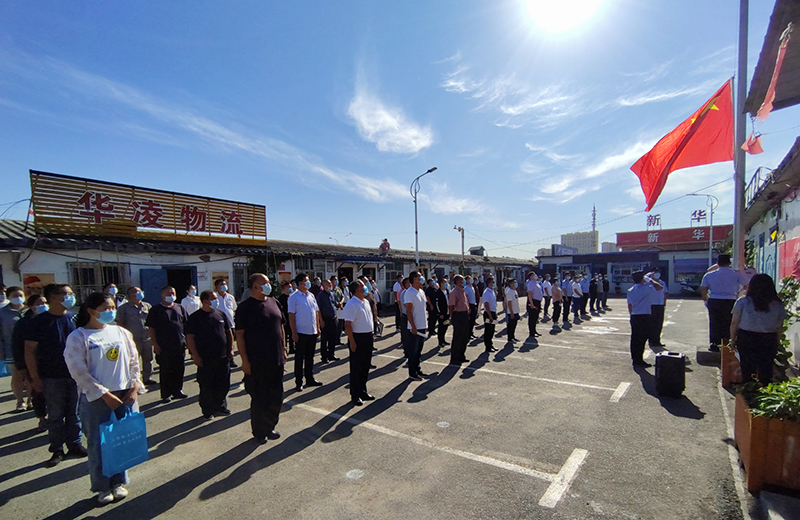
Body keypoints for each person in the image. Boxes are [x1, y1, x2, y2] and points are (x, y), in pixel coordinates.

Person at [64, 292, 142, 505]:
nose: (110, 312)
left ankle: (119, 482)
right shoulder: (78, 337)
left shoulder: (121, 332)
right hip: (97, 397)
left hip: (125, 393)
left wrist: (134, 386)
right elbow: (77, 370)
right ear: (91, 311)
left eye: (112, 308)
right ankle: (102, 486)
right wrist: (103, 393)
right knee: (98, 443)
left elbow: (134, 361)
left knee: (121, 439)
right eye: (106, 308)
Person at [24, 283, 88, 467]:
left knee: (74, 412)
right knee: (56, 414)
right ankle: (57, 449)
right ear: (53, 297)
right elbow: (29, 351)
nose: (71, 297)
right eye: (67, 294)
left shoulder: (74, 319)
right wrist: (34, 377)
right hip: (51, 375)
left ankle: (75, 444)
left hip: (75, 374)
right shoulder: (38, 322)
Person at [236, 274, 286, 443]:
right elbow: (240, 335)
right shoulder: (245, 308)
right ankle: (259, 431)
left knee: (276, 396)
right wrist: (244, 360)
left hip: (276, 358)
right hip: (257, 361)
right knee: (260, 398)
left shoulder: (274, 302)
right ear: (255, 286)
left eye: (268, 282)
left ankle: (270, 427)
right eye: (264, 283)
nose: (268, 285)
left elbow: (281, 326)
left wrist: (284, 348)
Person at [730, 274, 786, 385]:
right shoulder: (778, 305)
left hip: (746, 337)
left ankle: (748, 394)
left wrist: (733, 340)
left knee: (747, 368)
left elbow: (734, 323)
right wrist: (777, 342)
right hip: (768, 338)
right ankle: (764, 394)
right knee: (766, 369)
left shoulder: (742, 302)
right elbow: (779, 327)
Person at [186, 290, 234, 419]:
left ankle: (220, 406)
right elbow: (190, 337)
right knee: (207, 385)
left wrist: (230, 349)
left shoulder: (220, 314)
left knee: (223, 383)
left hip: (223, 356)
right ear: (205, 301)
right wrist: (195, 355)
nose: (216, 300)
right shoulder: (195, 317)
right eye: (213, 298)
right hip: (205, 358)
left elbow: (228, 332)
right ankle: (207, 410)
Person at [146, 286, 188, 403]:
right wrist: (155, 344)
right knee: (165, 370)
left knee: (179, 368)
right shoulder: (156, 310)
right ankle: (166, 393)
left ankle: (177, 391)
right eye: (168, 293)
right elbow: (152, 328)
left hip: (179, 344)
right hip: (163, 345)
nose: (171, 295)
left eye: (173, 293)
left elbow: (185, 325)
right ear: (162, 295)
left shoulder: (179, 307)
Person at [13, 294, 48, 430]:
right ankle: (42, 418)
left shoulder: (49, 319)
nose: (43, 305)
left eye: (45, 302)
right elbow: (17, 346)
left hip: (50, 363)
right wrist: (22, 366)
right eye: (39, 303)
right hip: (32, 364)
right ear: (31, 306)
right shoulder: (23, 323)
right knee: (37, 392)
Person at [700, 255, 748, 352]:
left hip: (714, 300)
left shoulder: (709, 275)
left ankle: (714, 345)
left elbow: (703, 289)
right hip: (730, 300)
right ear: (729, 263)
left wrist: (706, 300)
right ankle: (728, 345)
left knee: (714, 323)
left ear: (717, 263)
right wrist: (741, 293)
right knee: (729, 323)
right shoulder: (736, 274)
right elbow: (747, 285)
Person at [288, 272, 323, 392]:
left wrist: (317, 327)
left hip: (312, 331)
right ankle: (299, 382)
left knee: (310, 357)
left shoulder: (311, 296)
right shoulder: (293, 297)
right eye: (306, 281)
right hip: (301, 332)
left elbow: (316, 312)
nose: (308, 283)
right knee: (299, 358)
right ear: (299, 283)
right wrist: (294, 332)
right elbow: (291, 316)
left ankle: (310, 378)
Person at [344, 280, 375, 406]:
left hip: (367, 336)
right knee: (356, 368)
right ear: (357, 290)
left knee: (365, 366)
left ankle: (363, 391)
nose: (366, 289)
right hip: (357, 338)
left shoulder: (366, 301)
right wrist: (352, 341)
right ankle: (355, 395)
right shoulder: (351, 304)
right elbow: (348, 325)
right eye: (363, 287)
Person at [116, 287, 156, 385]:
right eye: (135, 292)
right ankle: (134, 380)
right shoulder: (123, 308)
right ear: (129, 295)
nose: (138, 293)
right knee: (133, 361)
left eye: (139, 291)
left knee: (148, 359)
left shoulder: (147, 306)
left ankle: (147, 378)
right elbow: (120, 323)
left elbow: (153, 321)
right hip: (133, 339)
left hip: (147, 338)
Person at [627, 271, 663, 368]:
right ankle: (639, 360)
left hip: (635, 315)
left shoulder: (630, 290)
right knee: (642, 339)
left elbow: (629, 305)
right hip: (645, 315)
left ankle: (635, 359)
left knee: (635, 338)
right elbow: (660, 287)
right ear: (643, 279)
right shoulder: (647, 288)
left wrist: (632, 315)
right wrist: (650, 280)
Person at [1, 286, 28, 412]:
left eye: (20, 295)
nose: (18, 298)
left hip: (31, 349)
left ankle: (31, 400)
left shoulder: (29, 310)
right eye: (15, 296)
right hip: (12, 349)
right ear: (9, 297)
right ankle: (20, 401)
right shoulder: (3, 313)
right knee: (17, 375)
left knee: (31, 376)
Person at [403, 271, 428, 381]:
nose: (422, 278)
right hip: (414, 327)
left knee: (419, 351)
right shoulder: (410, 292)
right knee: (413, 351)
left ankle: (418, 369)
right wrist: (413, 326)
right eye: (419, 277)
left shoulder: (421, 291)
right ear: (414, 279)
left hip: (422, 325)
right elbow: (409, 311)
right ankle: (412, 373)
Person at [214, 279, 239, 368]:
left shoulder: (230, 297)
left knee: (230, 342)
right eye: (222, 285)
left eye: (225, 284)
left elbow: (234, 308)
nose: (224, 286)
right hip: (219, 325)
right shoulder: (215, 298)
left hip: (230, 323)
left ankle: (231, 359)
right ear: (217, 287)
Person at [448, 275, 470, 364]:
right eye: (462, 280)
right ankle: (455, 358)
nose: (464, 281)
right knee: (458, 337)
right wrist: (453, 316)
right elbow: (451, 306)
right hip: (458, 315)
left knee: (464, 337)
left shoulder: (462, 291)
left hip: (465, 314)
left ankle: (461, 355)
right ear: (457, 282)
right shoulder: (454, 292)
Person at [317, 279, 339, 363]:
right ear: (323, 285)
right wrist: (321, 320)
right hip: (325, 319)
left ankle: (331, 354)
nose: (330, 286)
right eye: (328, 284)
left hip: (333, 318)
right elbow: (318, 309)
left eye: (330, 284)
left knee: (332, 338)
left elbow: (334, 304)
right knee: (324, 339)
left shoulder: (332, 294)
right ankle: (324, 357)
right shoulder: (321, 295)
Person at [649, 268, 668, 348]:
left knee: (659, 324)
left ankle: (657, 341)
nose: (657, 274)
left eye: (658, 273)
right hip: (651, 305)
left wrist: (664, 301)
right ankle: (652, 341)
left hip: (660, 305)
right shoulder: (649, 284)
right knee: (652, 324)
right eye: (656, 273)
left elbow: (665, 293)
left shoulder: (662, 283)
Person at [277, 281, 295, 354]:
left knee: (291, 334)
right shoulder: (281, 299)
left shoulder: (292, 297)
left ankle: (292, 348)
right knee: (284, 335)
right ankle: (284, 348)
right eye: (288, 287)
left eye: (291, 287)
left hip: (291, 318)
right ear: (284, 289)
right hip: (284, 319)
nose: (290, 288)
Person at [482, 276, 498, 353]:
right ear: (489, 283)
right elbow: (486, 304)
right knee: (488, 330)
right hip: (488, 313)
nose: (494, 283)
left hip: (493, 312)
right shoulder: (486, 292)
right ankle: (488, 347)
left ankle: (491, 345)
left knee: (492, 330)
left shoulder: (492, 291)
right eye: (493, 282)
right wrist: (490, 316)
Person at [433, 280, 450, 348]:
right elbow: (436, 304)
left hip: (447, 312)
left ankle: (443, 340)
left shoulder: (447, 291)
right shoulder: (438, 292)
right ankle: (440, 341)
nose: (445, 284)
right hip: (442, 313)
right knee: (441, 327)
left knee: (445, 326)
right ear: (440, 284)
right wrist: (440, 313)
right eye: (444, 282)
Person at [526, 273, 543, 338]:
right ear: (530, 277)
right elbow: (530, 294)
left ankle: (534, 330)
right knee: (532, 318)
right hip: (533, 301)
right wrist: (532, 304)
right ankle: (531, 332)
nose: (535, 276)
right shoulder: (530, 283)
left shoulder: (536, 282)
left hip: (537, 301)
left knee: (535, 317)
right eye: (534, 275)